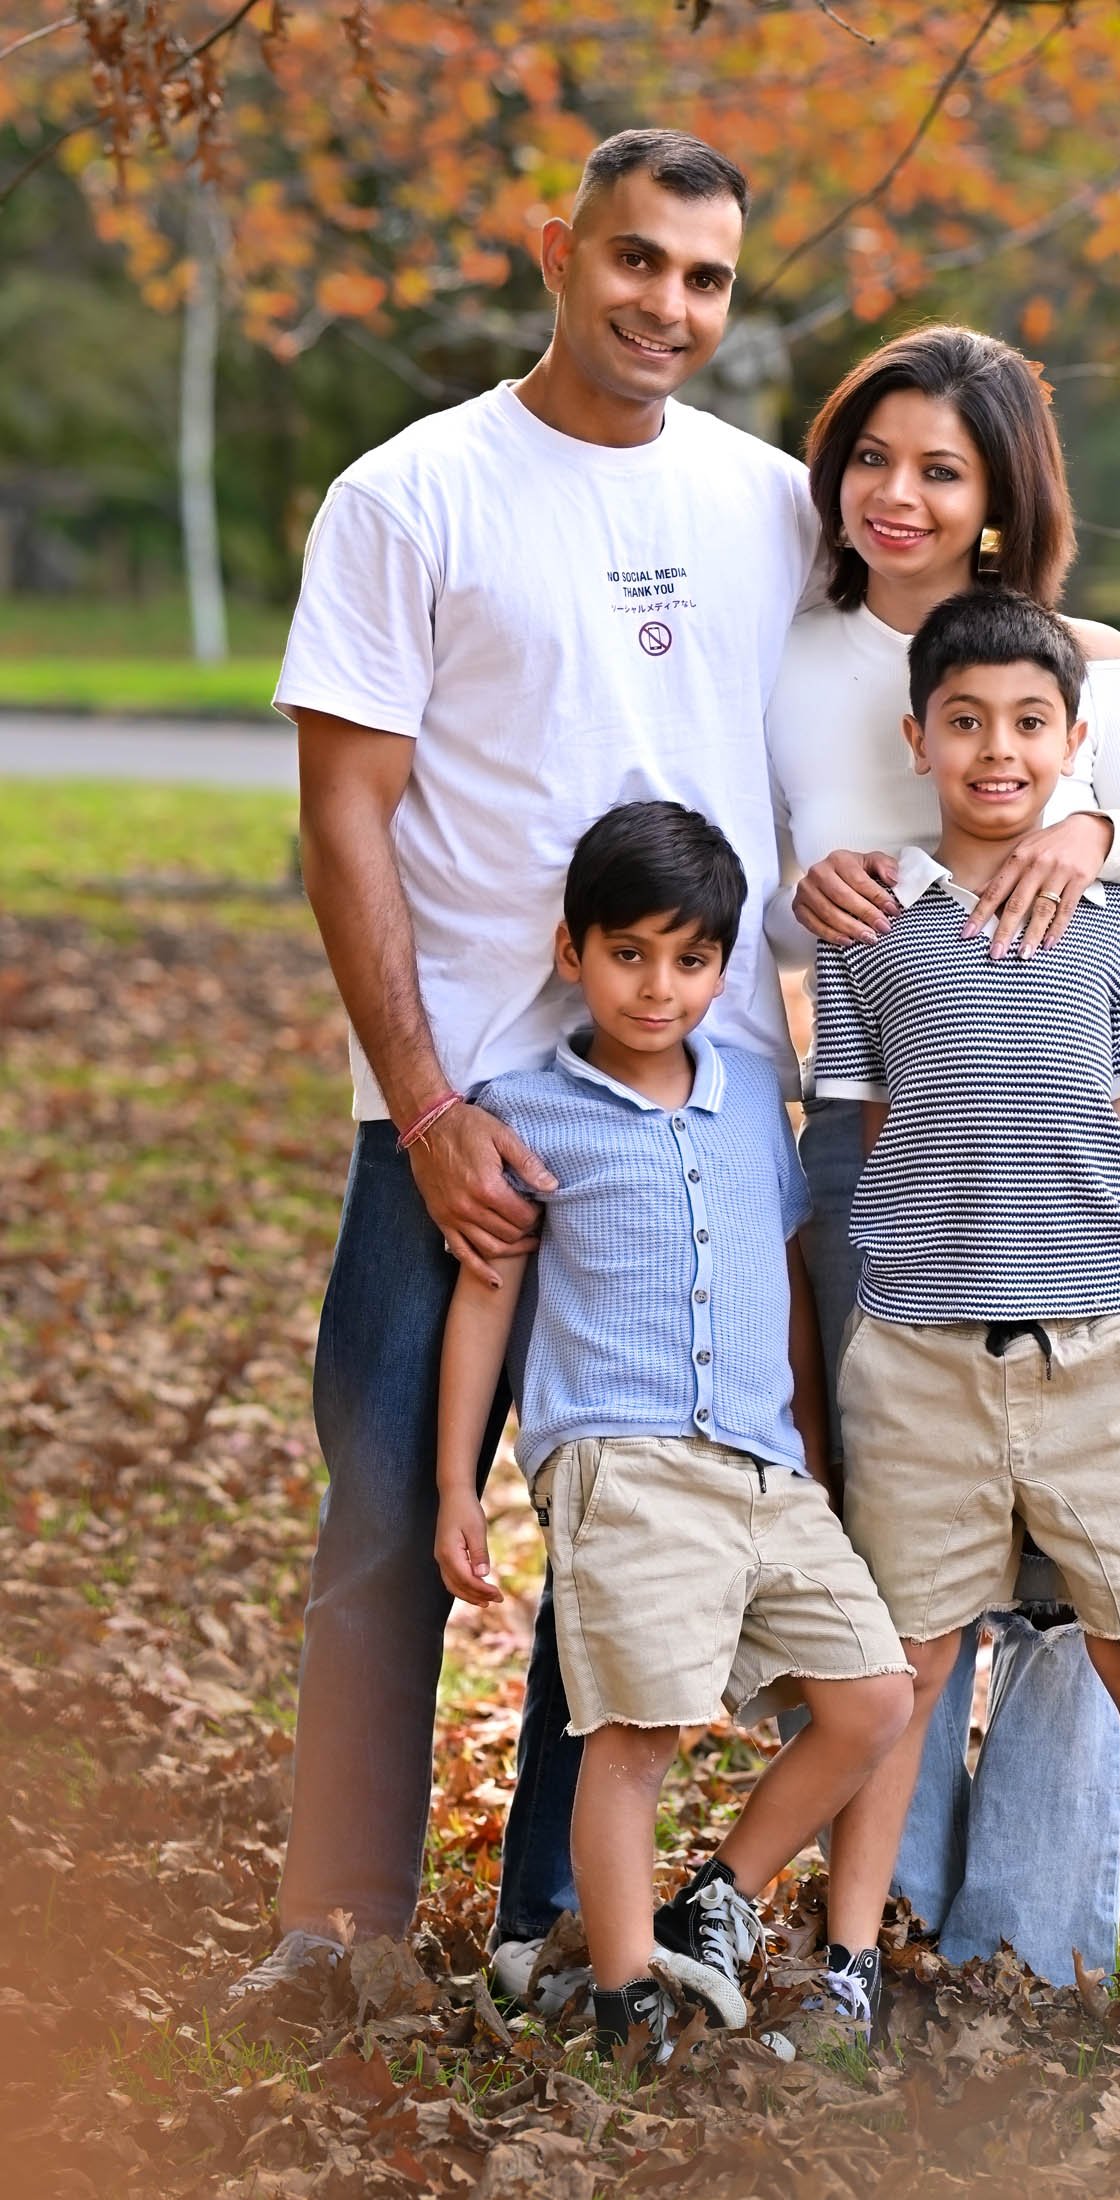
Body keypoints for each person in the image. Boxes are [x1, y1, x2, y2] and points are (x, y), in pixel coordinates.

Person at [234, 128, 823, 1999]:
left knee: (634, 1551)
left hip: (697, 1111)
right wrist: (421, 1105)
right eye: (637, 261)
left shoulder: (775, 504)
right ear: (555, 250)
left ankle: (574, 1929)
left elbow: (927, 680)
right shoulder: (412, 494)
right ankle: (337, 1927)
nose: (668, 305)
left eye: (707, 278)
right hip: (466, 1106)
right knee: (390, 1515)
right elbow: (345, 818)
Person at [764, 324, 1120, 1984]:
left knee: (1093, 1582)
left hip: (1083, 1180)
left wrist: (1091, 823)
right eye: (870, 457)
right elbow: (750, 894)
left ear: (995, 499)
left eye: (938, 468)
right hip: (888, 1150)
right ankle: (877, 1915)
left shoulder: (1084, 670)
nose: (895, 493)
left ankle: (1038, 1923)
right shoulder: (797, 654)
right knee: (917, 1557)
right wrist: (795, 903)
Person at [812, 587, 1120, 2028]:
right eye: (962, 722)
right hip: (922, 1360)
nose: (994, 751)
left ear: (1073, 743)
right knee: (906, 1664)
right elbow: (869, 1131)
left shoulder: (1117, 924)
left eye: (1025, 724)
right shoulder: (869, 928)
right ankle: (837, 1961)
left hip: (1102, 1356)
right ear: (916, 737)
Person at [433, 800, 912, 2057]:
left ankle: (722, 1894)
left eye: (691, 959)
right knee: (635, 1736)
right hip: (623, 1462)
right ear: (571, 952)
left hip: (764, 1463)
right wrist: (455, 1486)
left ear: (726, 965)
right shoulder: (525, 1107)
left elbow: (790, 1271)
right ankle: (622, 1989)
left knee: (873, 1695)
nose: (660, 986)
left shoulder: (758, 1094)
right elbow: (486, 1301)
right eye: (629, 953)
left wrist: (810, 1442)